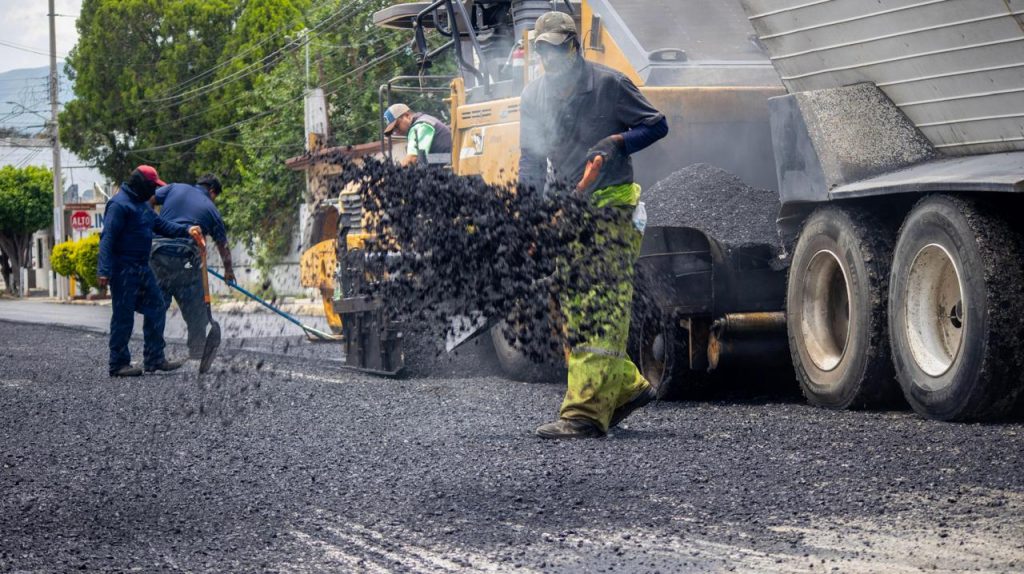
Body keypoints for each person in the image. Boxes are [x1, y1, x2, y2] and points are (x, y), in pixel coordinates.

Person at [519, 11, 669, 439]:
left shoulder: (609, 85)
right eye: (543, 50)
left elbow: (657, 124)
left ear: (574, 46)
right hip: (570, 209)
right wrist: (529, 214)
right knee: (575, 304)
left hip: (612, 208)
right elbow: (531, 160)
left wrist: (618, 141)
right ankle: (627, 386)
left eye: (558, 48)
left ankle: (583, 413)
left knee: (598, 306)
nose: (550, 57)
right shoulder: (534, 96)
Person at [97, 165, 201, 377]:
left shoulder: (143, 206)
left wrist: (187, 230)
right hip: (123, 268)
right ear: (141, 184)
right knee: (123, 315)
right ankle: (118, 364)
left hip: (143, 266)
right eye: (152, 186)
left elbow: (163, 226)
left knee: (157, 305)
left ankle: (154, 358)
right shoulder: (118, 205)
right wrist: (104, 270)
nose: (154, 191)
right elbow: (107, 238)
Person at [150, 174, 234, 360]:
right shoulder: (211, 210)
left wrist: (150, 222)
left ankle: (153, 357)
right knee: (196, 307)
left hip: (157, 255)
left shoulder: (174, 187)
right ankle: (197, 349)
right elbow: (223, 245)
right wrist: (228, 271)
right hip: (185, 259)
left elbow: (149, 199)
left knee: (157, 307)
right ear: (212, 191)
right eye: (215, 196)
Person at [382, 103, 453, 166]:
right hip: (447, 161)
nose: (397, 131)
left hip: (449, 166)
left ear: (407, 115)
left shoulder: (419, 126)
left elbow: (412, 159)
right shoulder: (425, 121)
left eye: (397, 126)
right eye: (394, 130)